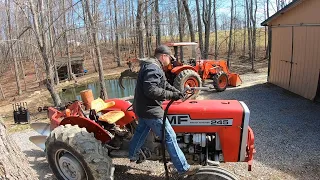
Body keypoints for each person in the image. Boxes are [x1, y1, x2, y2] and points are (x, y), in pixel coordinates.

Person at [128, 45, 200, 176]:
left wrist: (177, 92)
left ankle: (133, 154)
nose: (170, 61)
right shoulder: (152, 68)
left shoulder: (151, 65)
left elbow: (164, 84)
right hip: (151, 110)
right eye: (169, 58)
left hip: (141, 108)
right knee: (170, 137)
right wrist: (172, 95)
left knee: (141, 132)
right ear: (163, 56)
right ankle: (183, 168)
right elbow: (151, 90)